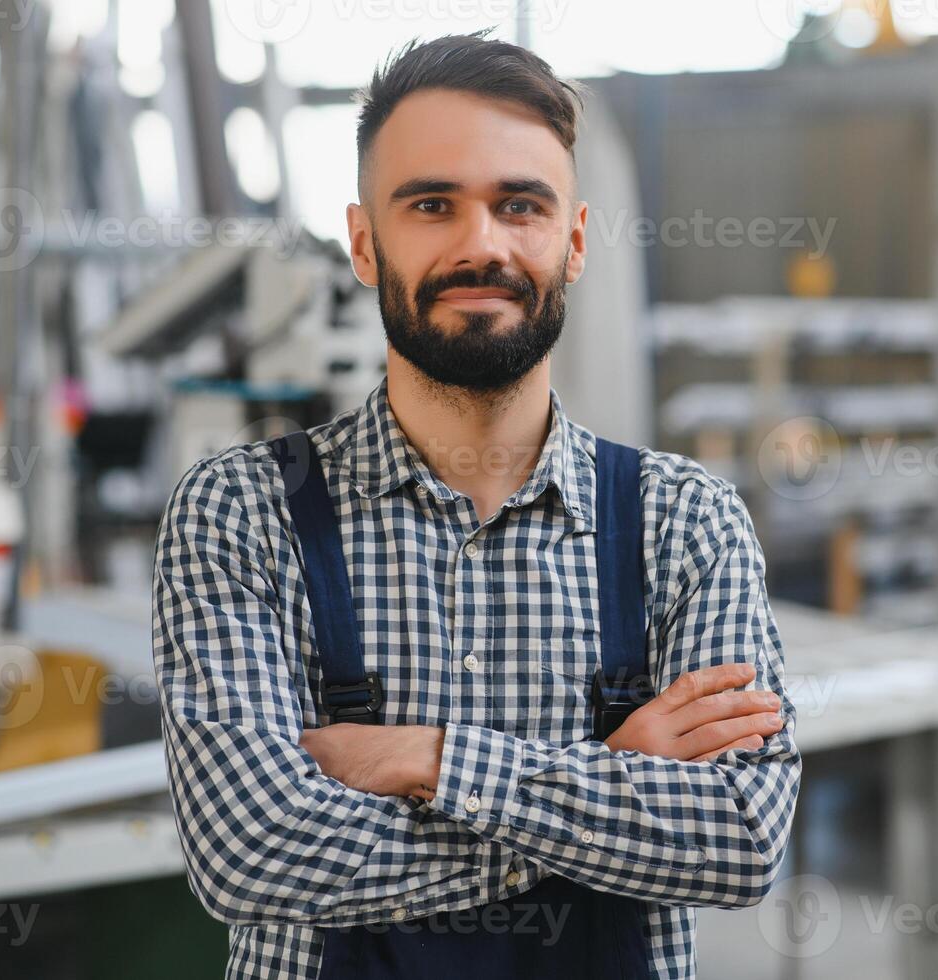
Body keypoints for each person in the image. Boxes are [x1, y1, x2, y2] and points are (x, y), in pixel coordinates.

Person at [152, 28, 801, 980]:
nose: (480, 245)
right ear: (366, 244)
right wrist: (609, 779)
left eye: (520, 205)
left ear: (573, 242)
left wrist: (426, 758)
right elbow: (249, 854)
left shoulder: (683, 523)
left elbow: (739, 840)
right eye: (431, 205)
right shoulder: (241, 514)